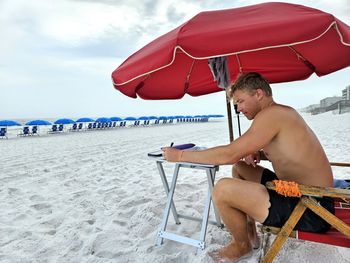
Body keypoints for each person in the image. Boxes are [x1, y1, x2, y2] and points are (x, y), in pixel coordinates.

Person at [162, 72, 334, 262]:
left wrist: (179, 155)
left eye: (241, 101)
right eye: (236, 104)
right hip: (300, 193)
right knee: (240, 168)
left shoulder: (272, 115)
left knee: (222, 189)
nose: (238, 108)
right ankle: (249, 232)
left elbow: (229, 154)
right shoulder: (279, 113)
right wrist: (258, 153)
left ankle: (241, 246)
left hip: (313, 209)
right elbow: (289, 152)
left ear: (258, 94)